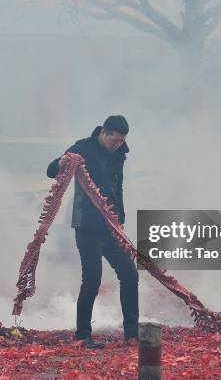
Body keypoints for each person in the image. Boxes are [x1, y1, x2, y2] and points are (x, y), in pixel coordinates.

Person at [47, 115, 138, 349]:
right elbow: (51, 170)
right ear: (103, 133)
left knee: (130, 275)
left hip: (111, 226)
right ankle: (82, 335)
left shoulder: (120, 153)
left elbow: (118, 187)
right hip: (87, 225)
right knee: (92, 279)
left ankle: (132, 333)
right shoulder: (83, 148)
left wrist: (121, 220)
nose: (117, 145)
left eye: (121, 141)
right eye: (114, 140)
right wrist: (64, 163)